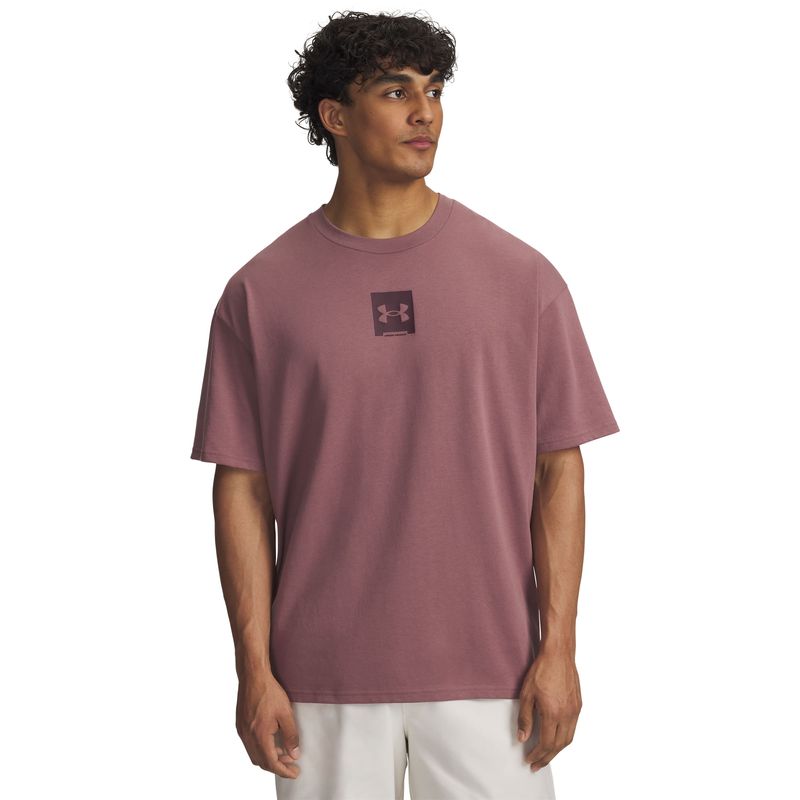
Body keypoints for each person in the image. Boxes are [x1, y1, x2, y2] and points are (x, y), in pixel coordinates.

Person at [190, 10, 620, 799]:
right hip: (320, 681)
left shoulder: (522, 279)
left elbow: (558, 471)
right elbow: (242, 489)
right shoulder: (261, 293)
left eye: (434, 90)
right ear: (336, 116)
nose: (425, 112)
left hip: (496, 676)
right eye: (396, 92)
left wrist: (558, 649)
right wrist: (254, 670)